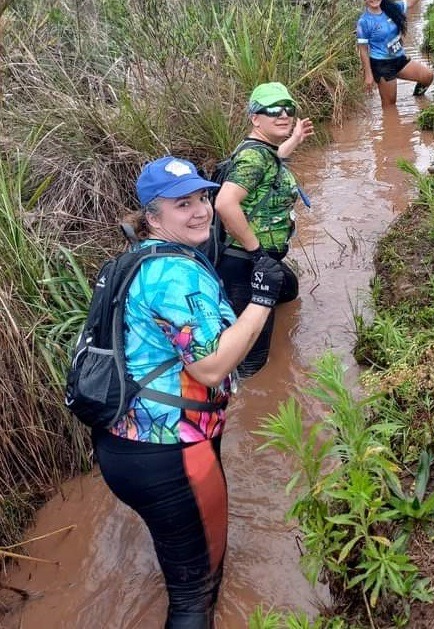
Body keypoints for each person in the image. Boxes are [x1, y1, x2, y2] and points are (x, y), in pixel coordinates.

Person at [95, 155, 285, 628]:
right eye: (184, 204)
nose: (201, 210)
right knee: (195, 593)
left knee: (181, 561)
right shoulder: (174, 273)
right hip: (171, 453)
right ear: (152, 216)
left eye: (203, 197)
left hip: (125, 444)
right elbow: (212, 366)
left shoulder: (136, 260)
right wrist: (262, 300)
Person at [213, 82, 313, 377]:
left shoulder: (263, 151)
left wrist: (293, 141)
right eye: (272, 110)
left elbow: (274, 159)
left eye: (288, 109)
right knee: (253, 362)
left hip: (263, 259)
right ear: (255, 118)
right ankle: (252, 404)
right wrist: (257, 253)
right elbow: (225, 203)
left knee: (289, 290)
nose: (283, 115)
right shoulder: (254, 157)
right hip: (245, 263)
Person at [356, 0, 434, 110]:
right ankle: (390, 129)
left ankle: (419, 100)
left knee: (427, 76)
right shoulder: (364, 22)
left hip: (399, 59)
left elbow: (410, 2)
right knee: (390, 107)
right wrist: (368, 75)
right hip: (382, 65)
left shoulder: (391, 8)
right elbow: (363, 49)